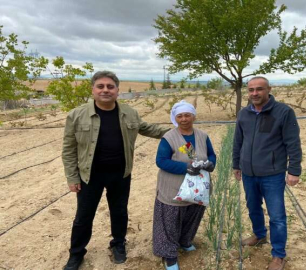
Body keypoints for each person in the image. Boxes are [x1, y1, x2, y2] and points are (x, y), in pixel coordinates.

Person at [62, 71, 170, 270]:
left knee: (119, 212)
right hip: (89, 175)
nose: (105, 90)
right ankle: (76, 254)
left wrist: (178, 131)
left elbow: (148, 129)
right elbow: (68, 149)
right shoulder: (76, 115)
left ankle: (118, 244)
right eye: (100, 86)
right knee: (84, 216)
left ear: (117, 91)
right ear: (93, 90)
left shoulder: (129, 113)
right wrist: (72, 176)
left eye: (110, 87)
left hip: (120, 173)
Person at [232, 76, 302, 270]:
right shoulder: (244, 114)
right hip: (248, 173)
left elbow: (293, 143)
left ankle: (278, 254)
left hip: (272, 173)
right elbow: (238, 141)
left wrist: (294, 170)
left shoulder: (284, 112)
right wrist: (236, 164)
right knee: (253, 207)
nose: (254, 93)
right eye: (251, 90)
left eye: (259, 89)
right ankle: (259, 235)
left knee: (277, 215)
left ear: (269, 90)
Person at [153, 100, 216, 270]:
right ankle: (169, 255)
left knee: (192, 215)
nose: (184, 119)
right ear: (175, 118)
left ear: (193, 116)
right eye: (179, 116)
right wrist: (185, 168)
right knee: (170, 220)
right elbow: (161, 161)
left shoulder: (202, 136)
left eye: (187, 115)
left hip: (198, 187)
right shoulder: (169, 138)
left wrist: (211, 163)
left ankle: (185, 241)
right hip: (174, 186)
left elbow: (211, 154)